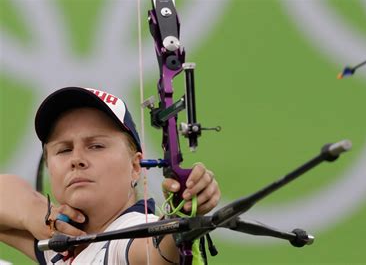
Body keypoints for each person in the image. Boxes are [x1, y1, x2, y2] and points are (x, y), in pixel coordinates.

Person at [0, 87, 221, 264]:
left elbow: (156, 250)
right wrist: (36, 214)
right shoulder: (59, 247)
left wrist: (181, 216)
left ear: (135, 167)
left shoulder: (131, 234)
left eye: (96, 146)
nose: (76, 159)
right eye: (64, 150)